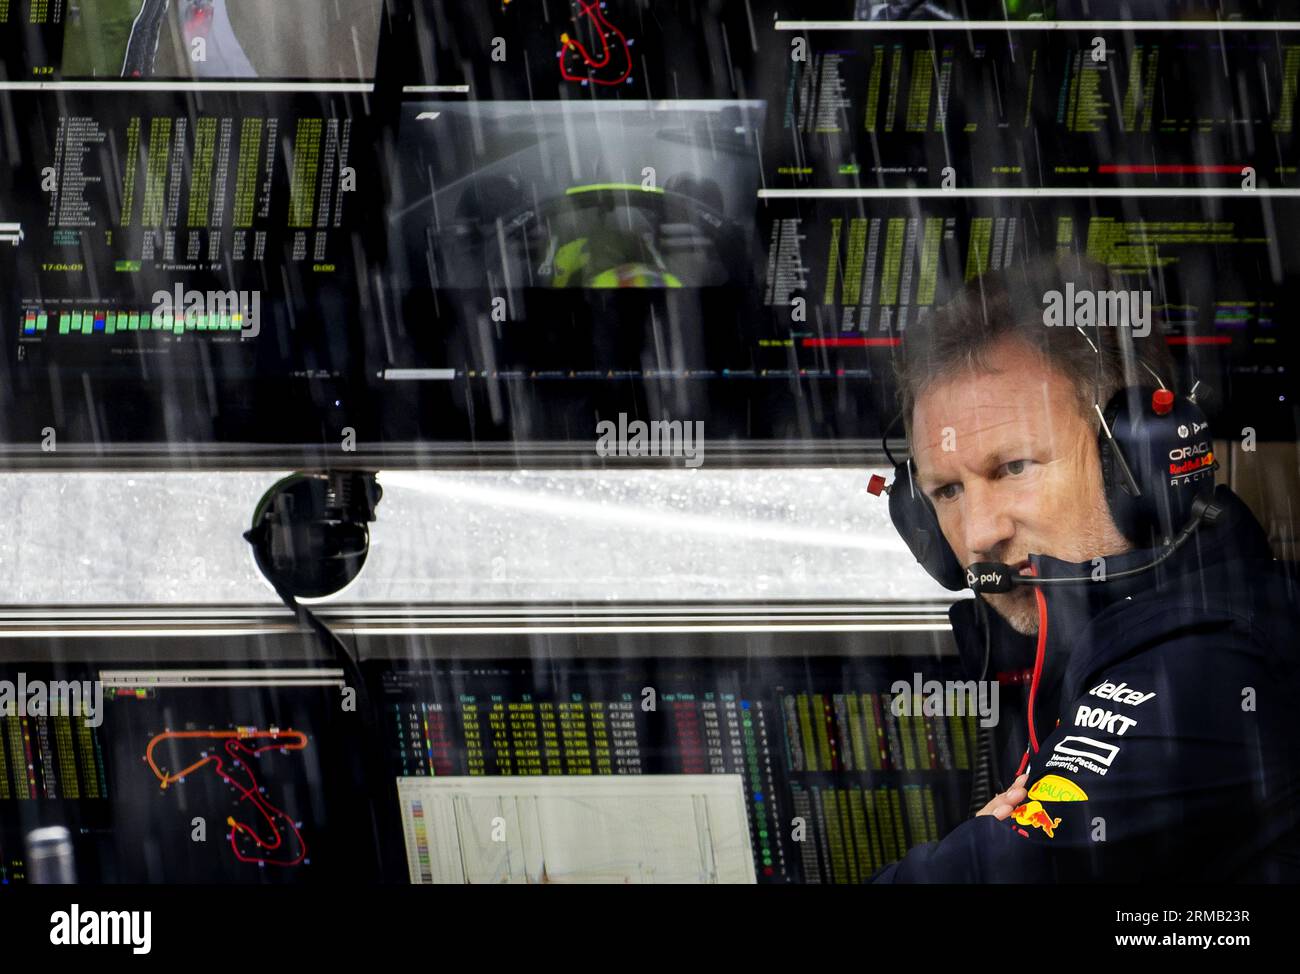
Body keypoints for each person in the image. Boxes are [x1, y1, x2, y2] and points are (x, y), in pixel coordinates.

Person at [871, 257, 1300, 881]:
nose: (980, 533)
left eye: (1013, 467)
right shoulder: (1081, 635)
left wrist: (993, 850)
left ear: (1140, 461)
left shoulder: (1203, 668)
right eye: (947, 492)